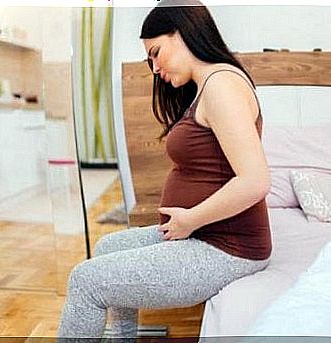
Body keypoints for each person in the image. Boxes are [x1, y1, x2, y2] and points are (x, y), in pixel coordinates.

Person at [57, 0, 272, 340]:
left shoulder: (222, 87)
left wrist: (191, 219)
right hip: (205, 235)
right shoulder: (208, 85)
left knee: (84, 281)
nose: (154, 68)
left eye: (156, 53)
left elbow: (255, 181)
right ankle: (122, 338)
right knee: (106, 249)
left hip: (227, 247)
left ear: (182, 32)